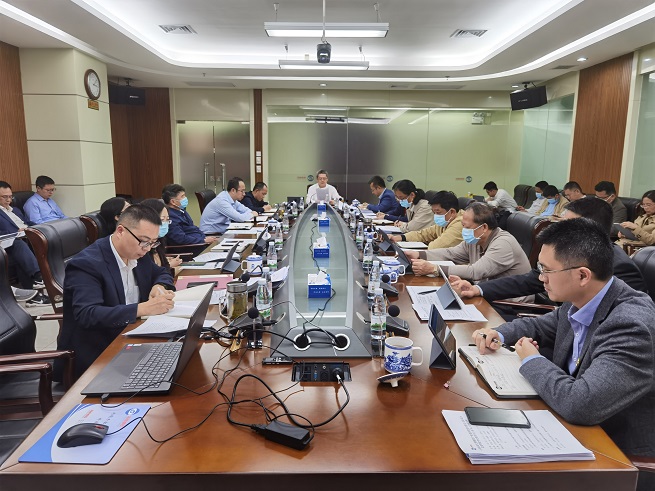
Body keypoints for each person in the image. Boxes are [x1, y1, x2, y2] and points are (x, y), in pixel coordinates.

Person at [473, 218, 655, 491]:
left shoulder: (630, 324)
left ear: (582, 275)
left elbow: (581, 404)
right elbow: (539, 326)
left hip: (615, 452)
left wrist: (531, 359)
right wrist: (498, 334)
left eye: (546, 270)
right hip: (572, 425)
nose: (541, 278)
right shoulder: (583, 299)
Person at [56, 204, 175, 380]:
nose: (148, 248)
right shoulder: (87, 264)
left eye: (153, 242)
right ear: (120, 231)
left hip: (132, 340)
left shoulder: (138, 253)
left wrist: (159, 286)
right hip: (97, 355)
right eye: (144, 241)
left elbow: (161, 272)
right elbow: (87, 314)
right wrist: (142, 309)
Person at [452, 197, 648, 302]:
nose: (560, 231)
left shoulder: (620, 269)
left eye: (568, 225)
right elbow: (529, 281)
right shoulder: (568, 254)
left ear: (591, 229)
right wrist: (478, 289)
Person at [405, 202, 531, 293]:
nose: (464, 230)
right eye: (463, 225)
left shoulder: (503, 243)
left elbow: (475, 271)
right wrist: (419, 254)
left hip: (508, 304)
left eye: (467, 227)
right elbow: (451, 253)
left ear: (484, 227)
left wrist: (435, 269)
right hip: (485, 294)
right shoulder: (476, 239)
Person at [0, 180, 48, 305]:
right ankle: (38, 276)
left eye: (10, 196)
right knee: (19, 244)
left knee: (25, 249)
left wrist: (39, 227)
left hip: (26, 240)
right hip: (7, 245)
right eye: (4, 197)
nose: (8, 200)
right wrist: (16, 232)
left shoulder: (15, 210)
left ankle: (33, 296)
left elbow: (27, 223)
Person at [390, 190, 463, 249]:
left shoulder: (461, 224)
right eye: (434, 212)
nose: (435, 215)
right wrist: (401, 237)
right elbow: (424, 234)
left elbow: (436, 247)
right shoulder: (446, 221)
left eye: (438, 212)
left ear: (452, 212)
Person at [162, 183, 217, 252]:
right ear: (173, 201)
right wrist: (203, 240)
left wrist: (204, 237)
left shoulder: (181, 210)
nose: (185, 198)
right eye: (182, 196)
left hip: (200, 243)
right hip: (190, 248)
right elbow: (181, 239)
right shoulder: (169, 216)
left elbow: (193, 228)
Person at [141, 198, 183, 269]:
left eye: (167, 220)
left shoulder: (159, 241)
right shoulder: (141, 248)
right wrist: (169, 265)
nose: (165, 224)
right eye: (162, 220)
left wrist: (163, 260)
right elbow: (152, 272)